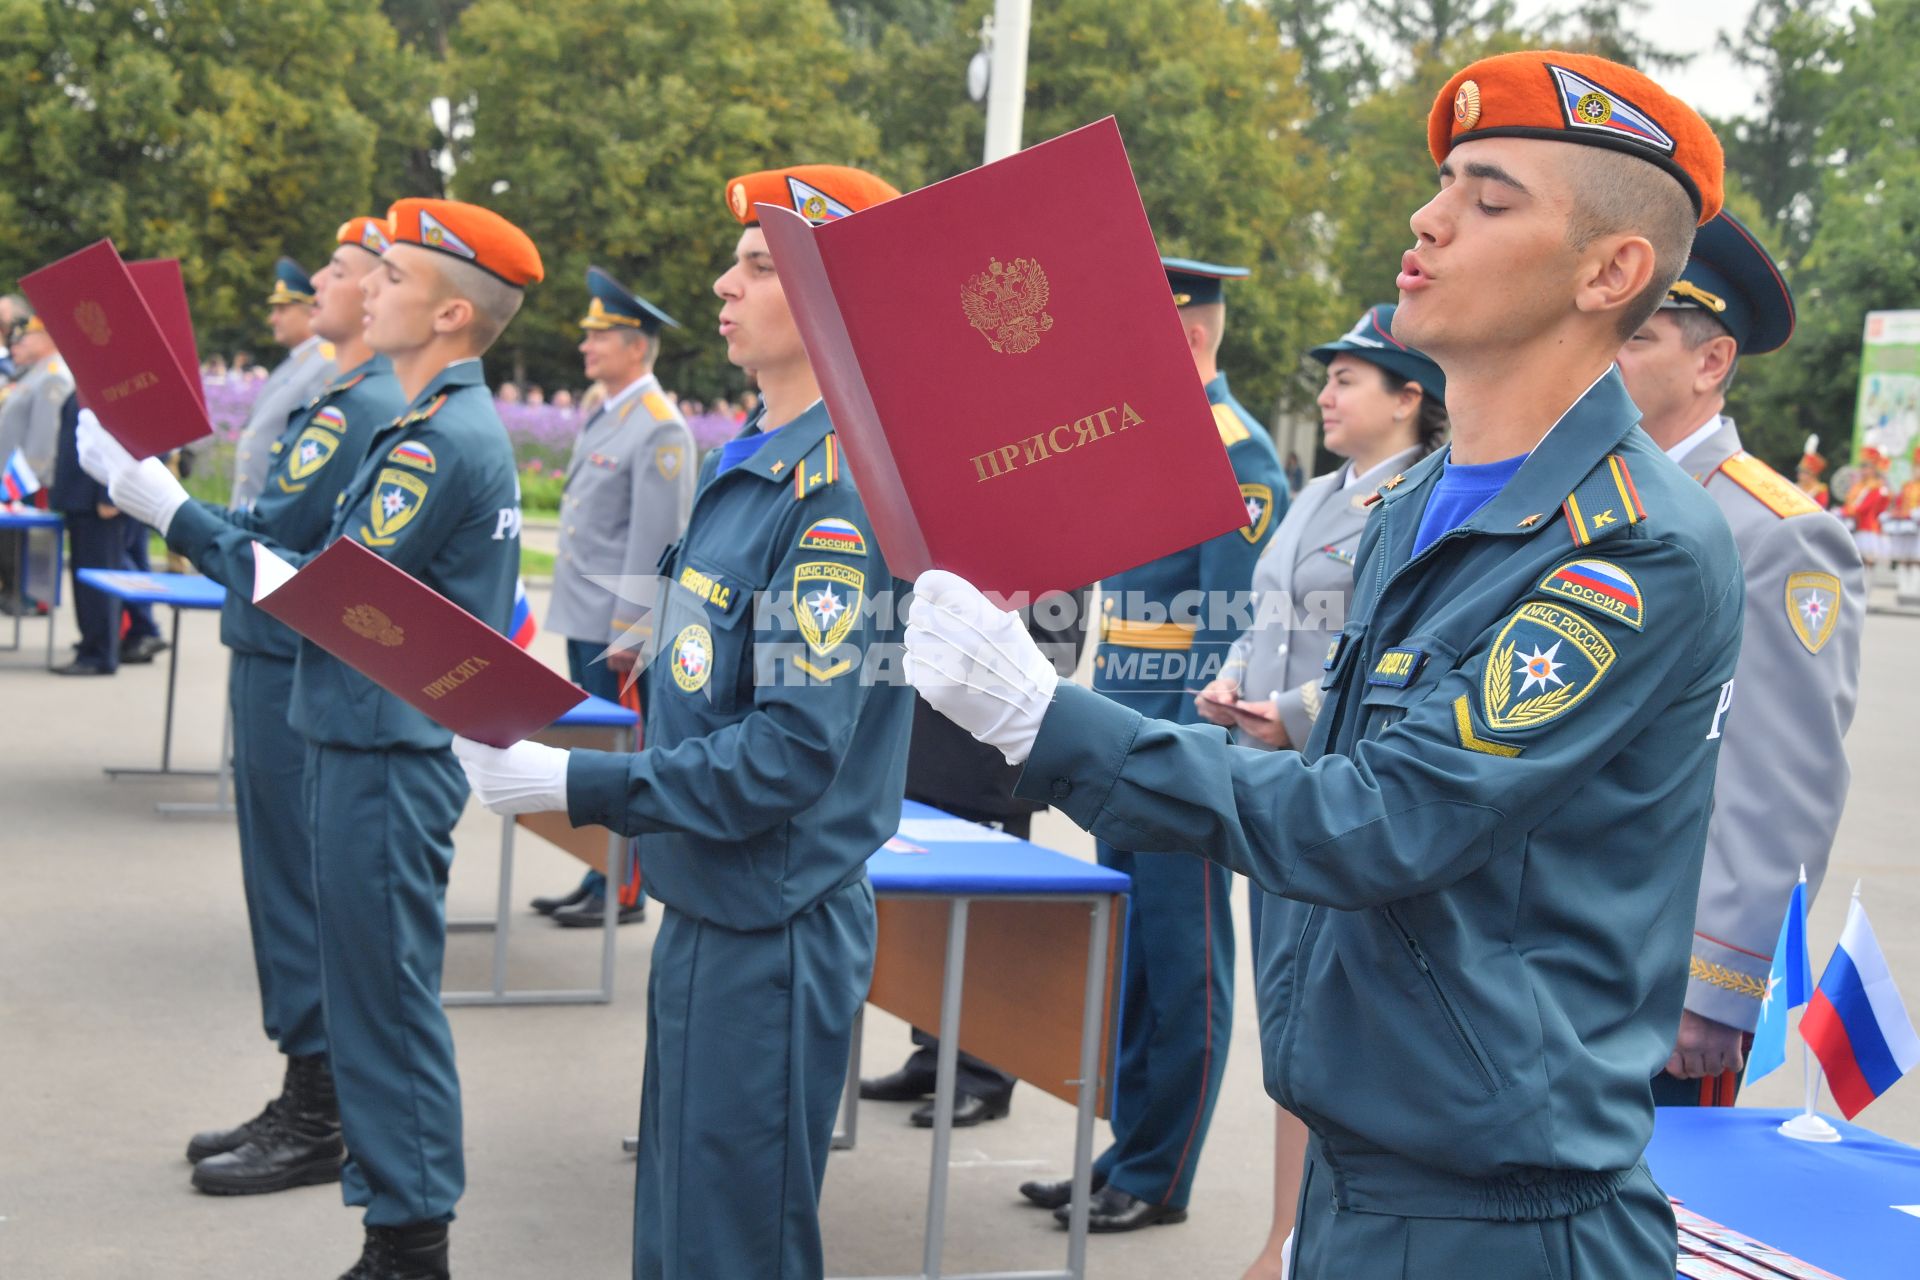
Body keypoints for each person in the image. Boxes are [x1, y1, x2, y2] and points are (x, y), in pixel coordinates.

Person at [905, 51, 1744, 1279]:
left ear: (1610, 271)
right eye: (1443, 182)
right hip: (1370, 1173)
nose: (1428, 216)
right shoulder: (1415, 503)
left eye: (1490, 197)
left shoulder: (1635, 543)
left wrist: (1052, 722)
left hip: (1500, 1217)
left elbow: (1385, 818)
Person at [455, 164, 913, 1280]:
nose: (723, 283)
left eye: (758, 265)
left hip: (774, 916)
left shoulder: (838, 492)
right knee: (679, 1228)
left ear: (830, 296)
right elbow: (726, 650)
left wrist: (580, 788)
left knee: (732, 1242)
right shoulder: (753, 457)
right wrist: (659, 649)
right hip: (714, 897)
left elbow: (794, 751)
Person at [98, 198, 539, 1280]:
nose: (366, 289)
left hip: (385, 755)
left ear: (445, 313)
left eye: (388, 276)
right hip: (361, 738)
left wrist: (172, 510)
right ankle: (395, 1227)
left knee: (386, 1005)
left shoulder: (435, 440)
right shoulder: (420, 422)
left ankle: (410, 1241)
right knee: (368, 993)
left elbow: (323, 595)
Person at [85, 215, 407, 1192]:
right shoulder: (336, 387)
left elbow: (276, 535)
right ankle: (308, 1090)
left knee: (295, 888)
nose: (321, 278)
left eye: (347, 270)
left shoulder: (356, 402)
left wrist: (161, 504)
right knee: (283, 884)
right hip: (271, 647)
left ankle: (319, 1110)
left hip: (291, 652)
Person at [1016, 257, 1287, 1234]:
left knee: (1183, 962)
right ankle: (1124, 1147)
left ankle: (1160, 1171)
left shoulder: (1237, 458)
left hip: (1173, 743)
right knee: (1132, 956)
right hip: (1121, 728)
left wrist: (1172, 756)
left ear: (1190, 336)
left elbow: (1227, 633)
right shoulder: (1152, 440)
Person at [1194, 302, 1447, 1278]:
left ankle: (1306, 1241)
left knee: (1334, 1029)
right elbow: (1267, 614)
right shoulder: (1314, 494)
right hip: (1272, 789)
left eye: (1348, 379)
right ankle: (1285, 1234)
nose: (1327, 394)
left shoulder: (1425, 502)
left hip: (1339, 793)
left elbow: (1388, 657)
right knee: (1291, 1024)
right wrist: (1228, 679)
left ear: (1409, 395)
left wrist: (1292, 710)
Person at [1616, 210, 1866, 1107]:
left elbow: (1782, 773)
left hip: (1658, 968)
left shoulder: (1776, 533)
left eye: (1635, 337)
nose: (1603, 355)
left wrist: (1720, 977)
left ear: (1710, 362)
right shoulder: (1580, 493)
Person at [859, 586, 1090, 1128]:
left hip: (986, 757)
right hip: (923, 749)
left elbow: (1054, 649)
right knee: (926, 925)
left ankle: (985, 1074)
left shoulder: (1053, 529)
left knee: (989, 932)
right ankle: (934, 1054)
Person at [532, 265, 695, 929]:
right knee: (596, 753)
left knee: (622, 756)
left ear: (635, 345)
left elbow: (657, 545)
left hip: (618, 630)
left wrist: (634, 637)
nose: (585, 346)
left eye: (600, 336)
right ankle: (600, 870)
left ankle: (623, 888)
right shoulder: (608, 415)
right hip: (586, 617)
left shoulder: (658, 427)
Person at [48, 390, 162, 675]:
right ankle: (92, 645)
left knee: (99, 582)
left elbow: (119, 439)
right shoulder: (93, 381)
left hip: (96, 502)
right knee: (88, 580)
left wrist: (109, 494)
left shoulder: (111, 385)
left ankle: (99, 654)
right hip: (82, 500)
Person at [229, 257, 337, 510]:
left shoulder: (325, 364)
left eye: (283, 309)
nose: (272, 319)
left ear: (312, 309)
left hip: (277, 510)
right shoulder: (296, 362)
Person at [1840, 446, 1889, 569]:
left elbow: (1865, 507)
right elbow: (1849, 504)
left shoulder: (1877, 487)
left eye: (1866, 466)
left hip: (1867, 528)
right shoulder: (1857, 486)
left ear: (1874, 469)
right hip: (1853, 527)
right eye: (1861, 466)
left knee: (1867, 561)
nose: (1863, 470)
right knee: (1853, 561)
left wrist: (1845, 512)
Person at [1796, 437, 1830, 509]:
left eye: (1804, 471)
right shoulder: (1795, 487)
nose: (1800, 474)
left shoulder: (1820, 490)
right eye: (1799, 470)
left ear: (1813, 474)